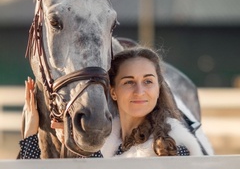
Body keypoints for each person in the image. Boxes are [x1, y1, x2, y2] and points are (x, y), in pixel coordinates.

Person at [19, 47, 203, 159]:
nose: (140, 91)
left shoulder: (174, 146)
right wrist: (30, 135)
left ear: (158, 89)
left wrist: (83, 152)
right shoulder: (106, 145)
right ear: (113, 91)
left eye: (148, 81)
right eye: (129, 82)